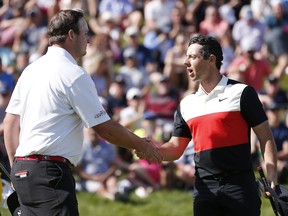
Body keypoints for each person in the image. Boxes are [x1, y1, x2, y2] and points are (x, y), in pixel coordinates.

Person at [3, 9, 161, 216]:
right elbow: (104, 128)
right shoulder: (74, 74)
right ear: (71, 35)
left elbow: (10, 123)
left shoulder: (30, 71)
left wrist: (17, 167)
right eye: (85, 33)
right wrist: (140, 144)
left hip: (24, 172)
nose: (88, 39)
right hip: (50, 175)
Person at [137, 34, 278, 216]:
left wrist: (272, 175)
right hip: (204, 190)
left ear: (211, 59)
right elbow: (175, 148)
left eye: (192, 57)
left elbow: (265, 137)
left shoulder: (242, 92)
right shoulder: (186, 104)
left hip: (240, 186)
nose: (186, 62)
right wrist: (152, 150)